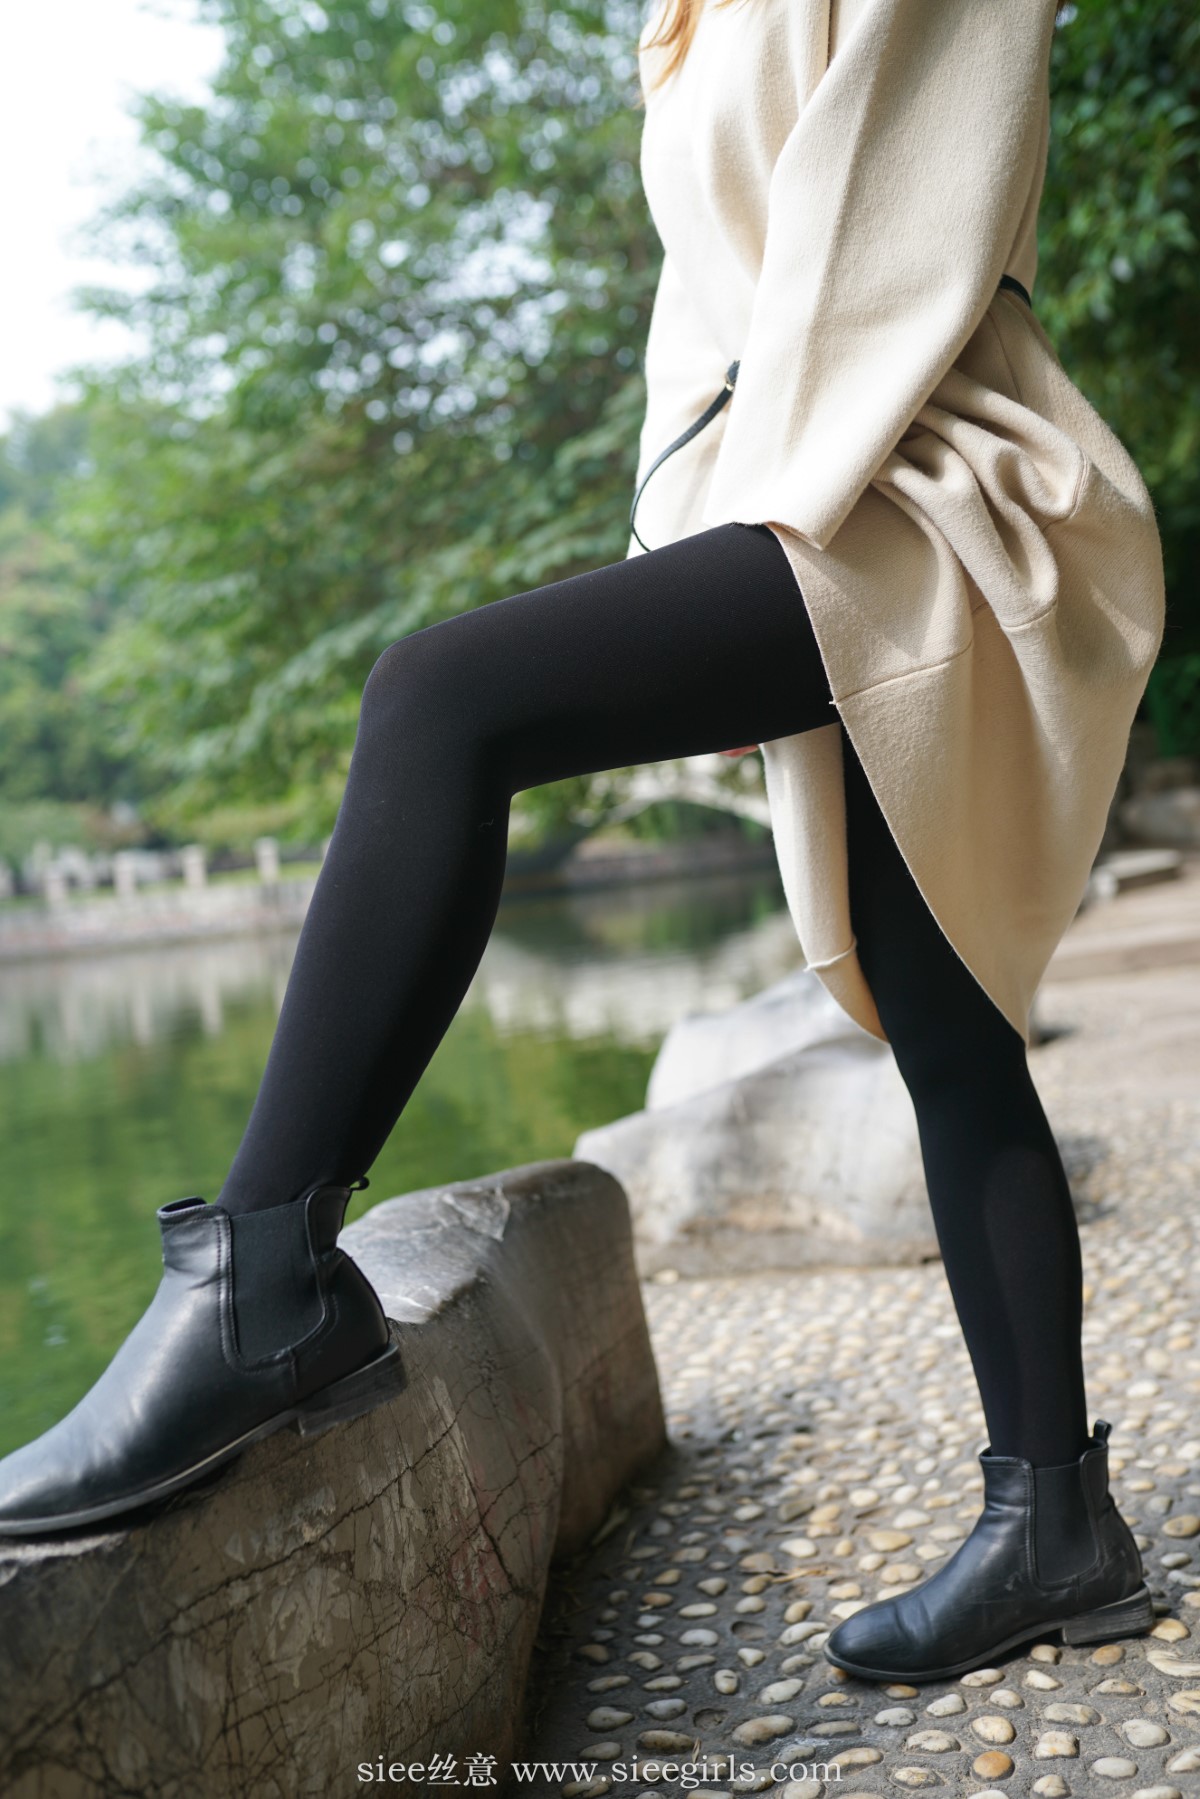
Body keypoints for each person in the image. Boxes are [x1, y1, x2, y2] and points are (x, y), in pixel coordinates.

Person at [0, 0, 1166, 1686]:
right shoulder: (683, 21)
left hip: (935, 482)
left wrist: (732, 556)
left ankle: (261, 1285)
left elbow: (893, 239)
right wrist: (687, 556)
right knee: (951, 1027)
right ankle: (1055, 1525)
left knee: (437, 703)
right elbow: (705, 326)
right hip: (817, 488)